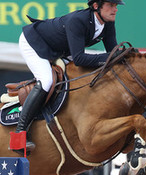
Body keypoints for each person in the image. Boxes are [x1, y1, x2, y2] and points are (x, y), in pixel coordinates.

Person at [14, 0, 124, 153]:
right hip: (34, 43)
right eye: (111, 5)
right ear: (96, 6)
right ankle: (20, 134)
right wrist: (112, 56)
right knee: (47, 81)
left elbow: (113, 53)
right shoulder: (78, 21)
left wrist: (126, 55)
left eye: (116, 6)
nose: (115, 9)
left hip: (61, 49)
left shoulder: (108, 22)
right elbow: (79, 59)